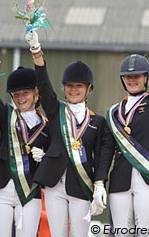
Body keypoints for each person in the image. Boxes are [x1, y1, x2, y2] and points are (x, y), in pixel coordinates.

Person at [92, 31, 149, 237]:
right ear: (123, 80)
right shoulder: (113, 112)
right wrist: (100, 182)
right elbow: (107, 150)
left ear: (146, 78)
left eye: (137, 75)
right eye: (128, 76)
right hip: (120, 180)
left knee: (146, 233)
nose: (132, 79)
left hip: (148, 179)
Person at [25, 30, 111, 237]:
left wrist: (99, 183)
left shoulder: (98, 122)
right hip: (55, 183)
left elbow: (102, 155)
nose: (73, 90)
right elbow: (44, 86)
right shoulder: (56, 111)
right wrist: (36, 51)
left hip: (81, 184)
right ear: (64, 88)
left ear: (88, 89)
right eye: (69, 86)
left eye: (79, 86)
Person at [0, 51, 50, 237]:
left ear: (36, 93)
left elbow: (53, 153)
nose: (20, 98)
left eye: (25, 93)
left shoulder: (46, 125)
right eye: (16, 94)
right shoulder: (7, 115)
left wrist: (44, 156)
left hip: (30, 190)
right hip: (1, 187)